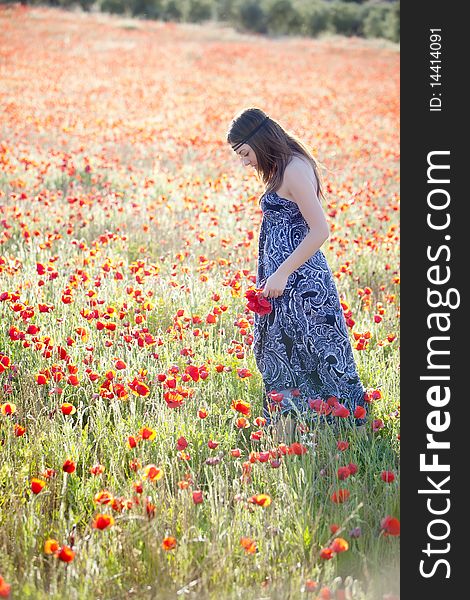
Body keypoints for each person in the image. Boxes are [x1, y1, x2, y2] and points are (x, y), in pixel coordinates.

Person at [227, 107, 368, 442]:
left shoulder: (293, 169)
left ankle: (347, 430)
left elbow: (320, 230)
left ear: (259, 141)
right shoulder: (283, 168)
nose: (245, 163)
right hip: (285, 283)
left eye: (246, 154)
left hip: (303, 284)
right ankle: (300, 430)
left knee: (320, 352)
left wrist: (282, 273)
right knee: (285, 351)